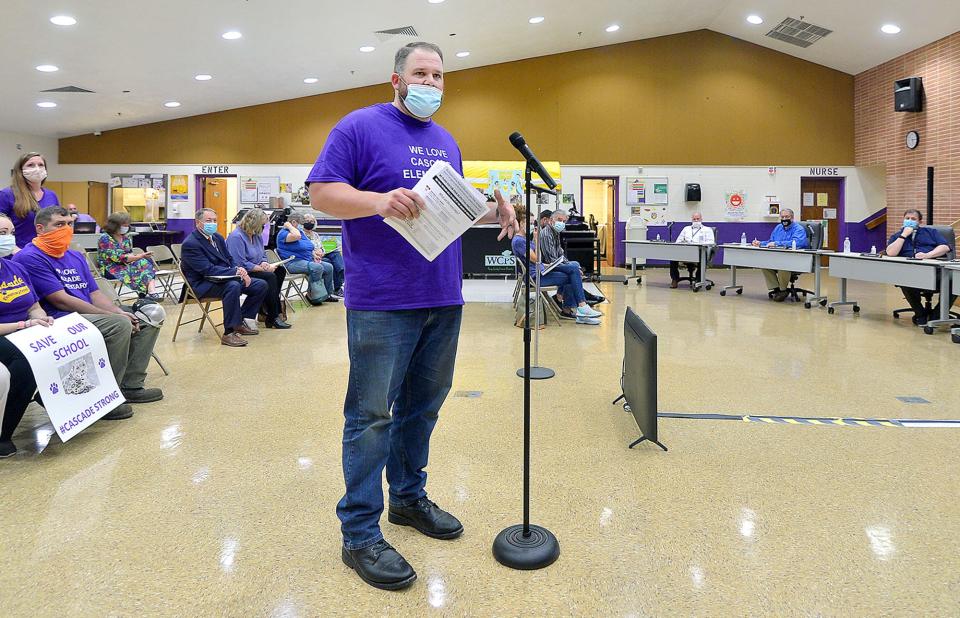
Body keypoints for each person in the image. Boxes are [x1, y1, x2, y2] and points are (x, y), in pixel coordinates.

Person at [307, 41, 518, 590]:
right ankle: (358, 534)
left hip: (442, 295)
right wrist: (377, 201)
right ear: (397, 79)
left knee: (422, 409)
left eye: (440, 75)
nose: (432, 83)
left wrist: (496, 209)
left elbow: (451, 209)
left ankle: (406, 499)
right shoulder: (357, 127)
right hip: (382, 299)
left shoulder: (446, 140)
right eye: (421, 73)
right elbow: (322, 193)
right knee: (371, 415)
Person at [12, 206, 164, 416]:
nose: (66, 229)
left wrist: (118, 311)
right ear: (40, 228)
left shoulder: (74, 256)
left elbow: (95, 294)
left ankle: (130, 386)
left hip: (86, 313)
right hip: (59, 319)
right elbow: (62, 300)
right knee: (119, 325)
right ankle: (105, 397)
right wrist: (114, 317)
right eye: (59, 224)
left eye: (69, 224)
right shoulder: (30, 257)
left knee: (149, 314)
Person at [180, 208, 268, 347]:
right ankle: (229, 333)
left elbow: (229, 258)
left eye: (215, 220)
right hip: (201, 283)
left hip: (221, 277)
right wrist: (235, 272)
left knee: (260, 285)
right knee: (232, 286)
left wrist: (239, 269)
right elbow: (207, 270)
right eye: (208, 221)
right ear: (198, 223)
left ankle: (240, 321)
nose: (213, 223)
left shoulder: (217, 237)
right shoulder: (191, 244)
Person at [512, 204, 602, 324]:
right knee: (573, 274)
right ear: (520, 223)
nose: (532, 226)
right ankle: (580, 308)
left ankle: (579, 308)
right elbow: (536, 259)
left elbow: (541, 259)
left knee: (573, 270)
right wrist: (536, 240)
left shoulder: (525, 239)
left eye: (533, 223)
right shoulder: (519, 241)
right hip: (535, 277)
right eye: (529, 223)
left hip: (541, 271)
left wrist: (547, 263)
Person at [885, 208, 956, 325]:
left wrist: (928, 255)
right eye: (907, 218)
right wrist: (904, 235)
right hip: (911, 273)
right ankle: (920, 313)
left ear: (920, 222)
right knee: (904, 279)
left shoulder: (930, 232)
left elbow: (945, 247)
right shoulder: (897, 236)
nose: (910, 221)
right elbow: (891, 253)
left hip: (935, 271)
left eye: (913, 219)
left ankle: (937, 314)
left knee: (955, 281)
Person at [226, 208, 291, 329]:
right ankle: (273, 316)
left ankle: (265, 310)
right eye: (262, 225)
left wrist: (265, 263)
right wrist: (261, 268)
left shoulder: (256, 236)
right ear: (253, 224)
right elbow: (239, 262)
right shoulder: (236, 237)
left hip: (256, 269)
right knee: (270, 277)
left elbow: (262, 254)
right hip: (242, 272)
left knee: (280, 271)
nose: (263, 228)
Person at [538, 209, 604, 307]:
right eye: (559, 220)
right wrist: (569, 266)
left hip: (555, 263)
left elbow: (560, 253)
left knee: (575, 265)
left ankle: (560, 296)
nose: (562, 223)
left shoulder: (555, 232)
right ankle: (581, 303)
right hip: (549, 266)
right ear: (551, 220)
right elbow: (551, 259)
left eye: (564, 221)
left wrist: (568, 263)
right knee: (573, 270)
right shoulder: (547, 234)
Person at [0, 152, 60, 248]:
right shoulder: (7, 194)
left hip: (46, 253)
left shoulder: (51, 195)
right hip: (17, 255)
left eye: (41, 165)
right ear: (20, 170)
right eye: (30, 165)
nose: (37, 168)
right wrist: (15, 251)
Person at [96, 212, 162, 299]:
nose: (126, 227)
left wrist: (139, 257)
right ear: (114, 225)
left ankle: (150, 291)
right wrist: (139, 256)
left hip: (125, 265)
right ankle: (147, 293)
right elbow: (118, 258)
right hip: (111, 268)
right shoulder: (105, 238)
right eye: (123, 225)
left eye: (127, 225)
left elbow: (129, 253)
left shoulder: (125, 238)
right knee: (141, 268)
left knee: (146, 262)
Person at [276, 212, 335, 305]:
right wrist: (289, 226)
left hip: (307, 260)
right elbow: (297, 236)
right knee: (317, 268)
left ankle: (327, 295)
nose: (302, 226)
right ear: (294, 222)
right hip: (292, 263)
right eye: (300, 224)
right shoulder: (284, 234)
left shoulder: (299, 232)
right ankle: (313, 296)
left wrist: (314, 255)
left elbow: (308, 246)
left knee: (328, 267)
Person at [752, 208, 809, 301]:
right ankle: (776, 289)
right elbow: (771, 241)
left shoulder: (798, 229)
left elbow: (798, 242)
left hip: (794, 259)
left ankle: (783, 290)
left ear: (792, 218)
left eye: (787, 217)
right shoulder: (778, 228)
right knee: (764, 264)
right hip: (778, 257)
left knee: (783, 264)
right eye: (782, 217)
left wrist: (777, 244)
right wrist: (760, 243)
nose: (784, 219)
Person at [301, 212, 345, 297]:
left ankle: (341, 270)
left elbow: (321, 246)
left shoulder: (315, 234)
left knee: (335, 253)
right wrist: (314, 252)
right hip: (312, 257)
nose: (310, 223)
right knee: (329, 262)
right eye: (307, 221)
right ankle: (337, 287)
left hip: (321, 255)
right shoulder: (301, 235)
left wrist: (321, 251)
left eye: (312, 221)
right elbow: (304, 248)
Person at [669, 212, 716, 288]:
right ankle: (674, 279)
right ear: (691, 220)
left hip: (700, 253)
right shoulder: (686, 229)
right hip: (685, 252)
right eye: (694, 219)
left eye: (698, 219)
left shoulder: (707, 230)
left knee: (702, 259)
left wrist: (700, 243)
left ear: (701, 219)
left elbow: (711, 242)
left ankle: (698, 280)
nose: (696, 221)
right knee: (673, 257)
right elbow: (678, 241)